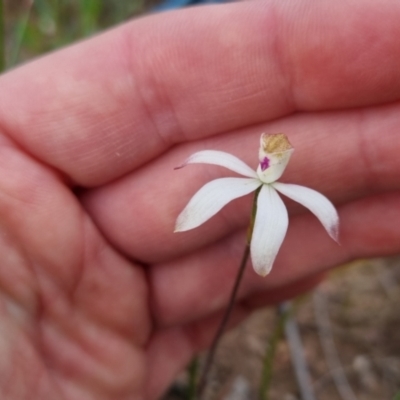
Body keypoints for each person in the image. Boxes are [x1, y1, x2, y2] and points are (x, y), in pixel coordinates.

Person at [0, 0, 399, 398]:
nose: (271, 155)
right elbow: (194, 200)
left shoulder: (293, 194)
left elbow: (314, 225)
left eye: (277, 154)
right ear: (264, 153)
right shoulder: (223, 169)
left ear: (279, 159)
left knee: (258, 259)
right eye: (269, 150)